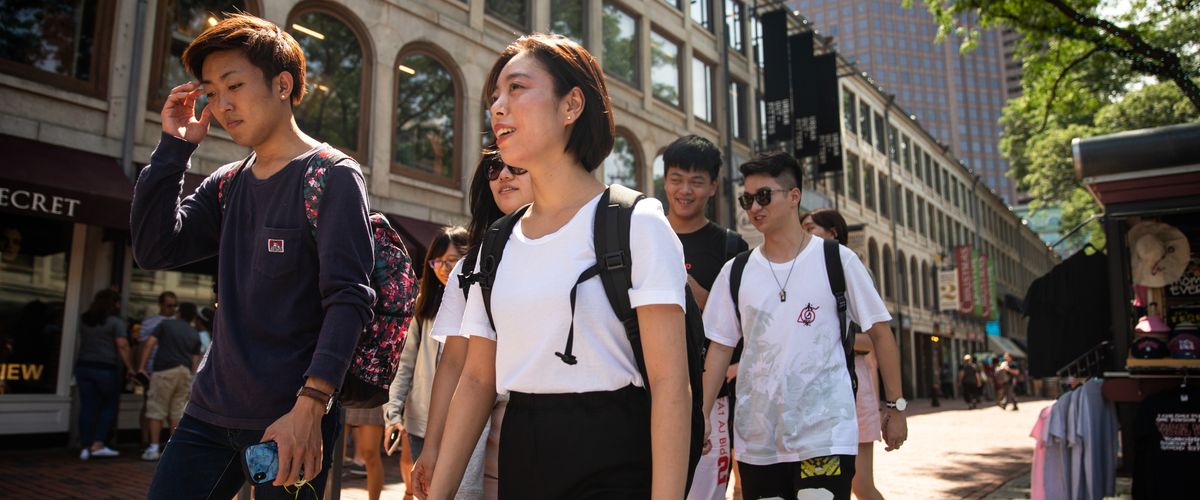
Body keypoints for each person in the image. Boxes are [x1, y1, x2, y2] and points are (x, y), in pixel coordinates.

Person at [429, 33, 691, 500]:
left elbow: (672, 385)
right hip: (520, 451)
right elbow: (476, 379)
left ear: (571, 105)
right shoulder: (498, 241)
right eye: (494, 97)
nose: (498, 107)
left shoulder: (635, 222)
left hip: (614, 456)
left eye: (517, 88)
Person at [131, 13, 375, 498]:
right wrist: (173, 149)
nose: (222, 105)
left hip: (291, 417)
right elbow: (154, 247)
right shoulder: (227, 183)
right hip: (207, 411)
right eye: (211, 91)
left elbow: (349, 299)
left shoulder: (331, 176)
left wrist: (311, 406)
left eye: (234, 86)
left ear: (282, 84)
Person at [700, 152, 908, 500]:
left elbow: (881, 334)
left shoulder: (837, 260)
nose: (754, 207)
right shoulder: (736, 272)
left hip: (824, 435)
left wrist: (896, 407)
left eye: (764, 196)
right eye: (747, 199)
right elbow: (719, 348)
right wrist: (702, 415)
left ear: (794, 196)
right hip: (757, 439)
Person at [407, 151, 534, 500]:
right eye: (495, 167)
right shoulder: (470, 265)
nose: (504, 175)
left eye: (517, 165)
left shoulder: (574, 247)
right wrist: (431, 447)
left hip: (554, 429)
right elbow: (453, 363)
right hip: (480, 428)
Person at [660, 134, 748, 500]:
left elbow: (746, 327)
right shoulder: (643, 234)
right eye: (677, 178)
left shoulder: (731, 247)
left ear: (713, 187)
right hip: (646, 390)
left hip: (710, 398)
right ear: (664, 180)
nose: (685, 190)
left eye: (697, 182)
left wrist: (694, 291)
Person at [384, 226, 488, 499]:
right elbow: (404, 364)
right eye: (437, 261)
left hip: (467, 416)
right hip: (422, 418)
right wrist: (393, 413)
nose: (443, 268)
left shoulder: (480, 298)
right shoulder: (423, 306)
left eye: (451, 261)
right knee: (426, 489)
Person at [803, 208, 886, 500]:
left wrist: (823, 338)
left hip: (854, 386)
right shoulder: (803, 270)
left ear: (833, 232)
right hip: (816, 393)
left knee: (860, 484)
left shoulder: (850, 267)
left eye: (810, 228)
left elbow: (871, 341)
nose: (804, 234)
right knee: (823, 487)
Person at [74, 289, 136, 460]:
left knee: (88, 406)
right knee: (109, 405)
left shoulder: (85, 320)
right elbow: (122, 345)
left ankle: (85, 446)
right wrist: (130, 367)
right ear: (114, 304)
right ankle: (98, 443)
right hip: (105, 367)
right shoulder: (115, 322)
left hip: (83, 366)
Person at [137, 302, 202, 461]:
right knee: (176, 411)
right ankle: (174, 448)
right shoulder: (194, 333)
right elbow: (195, 359)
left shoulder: (166, 325)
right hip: (184, 372)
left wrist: (141, 367)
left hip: (164, 370)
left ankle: (153, 447)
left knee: (156, 409)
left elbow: (149, 344)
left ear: (178, 313)